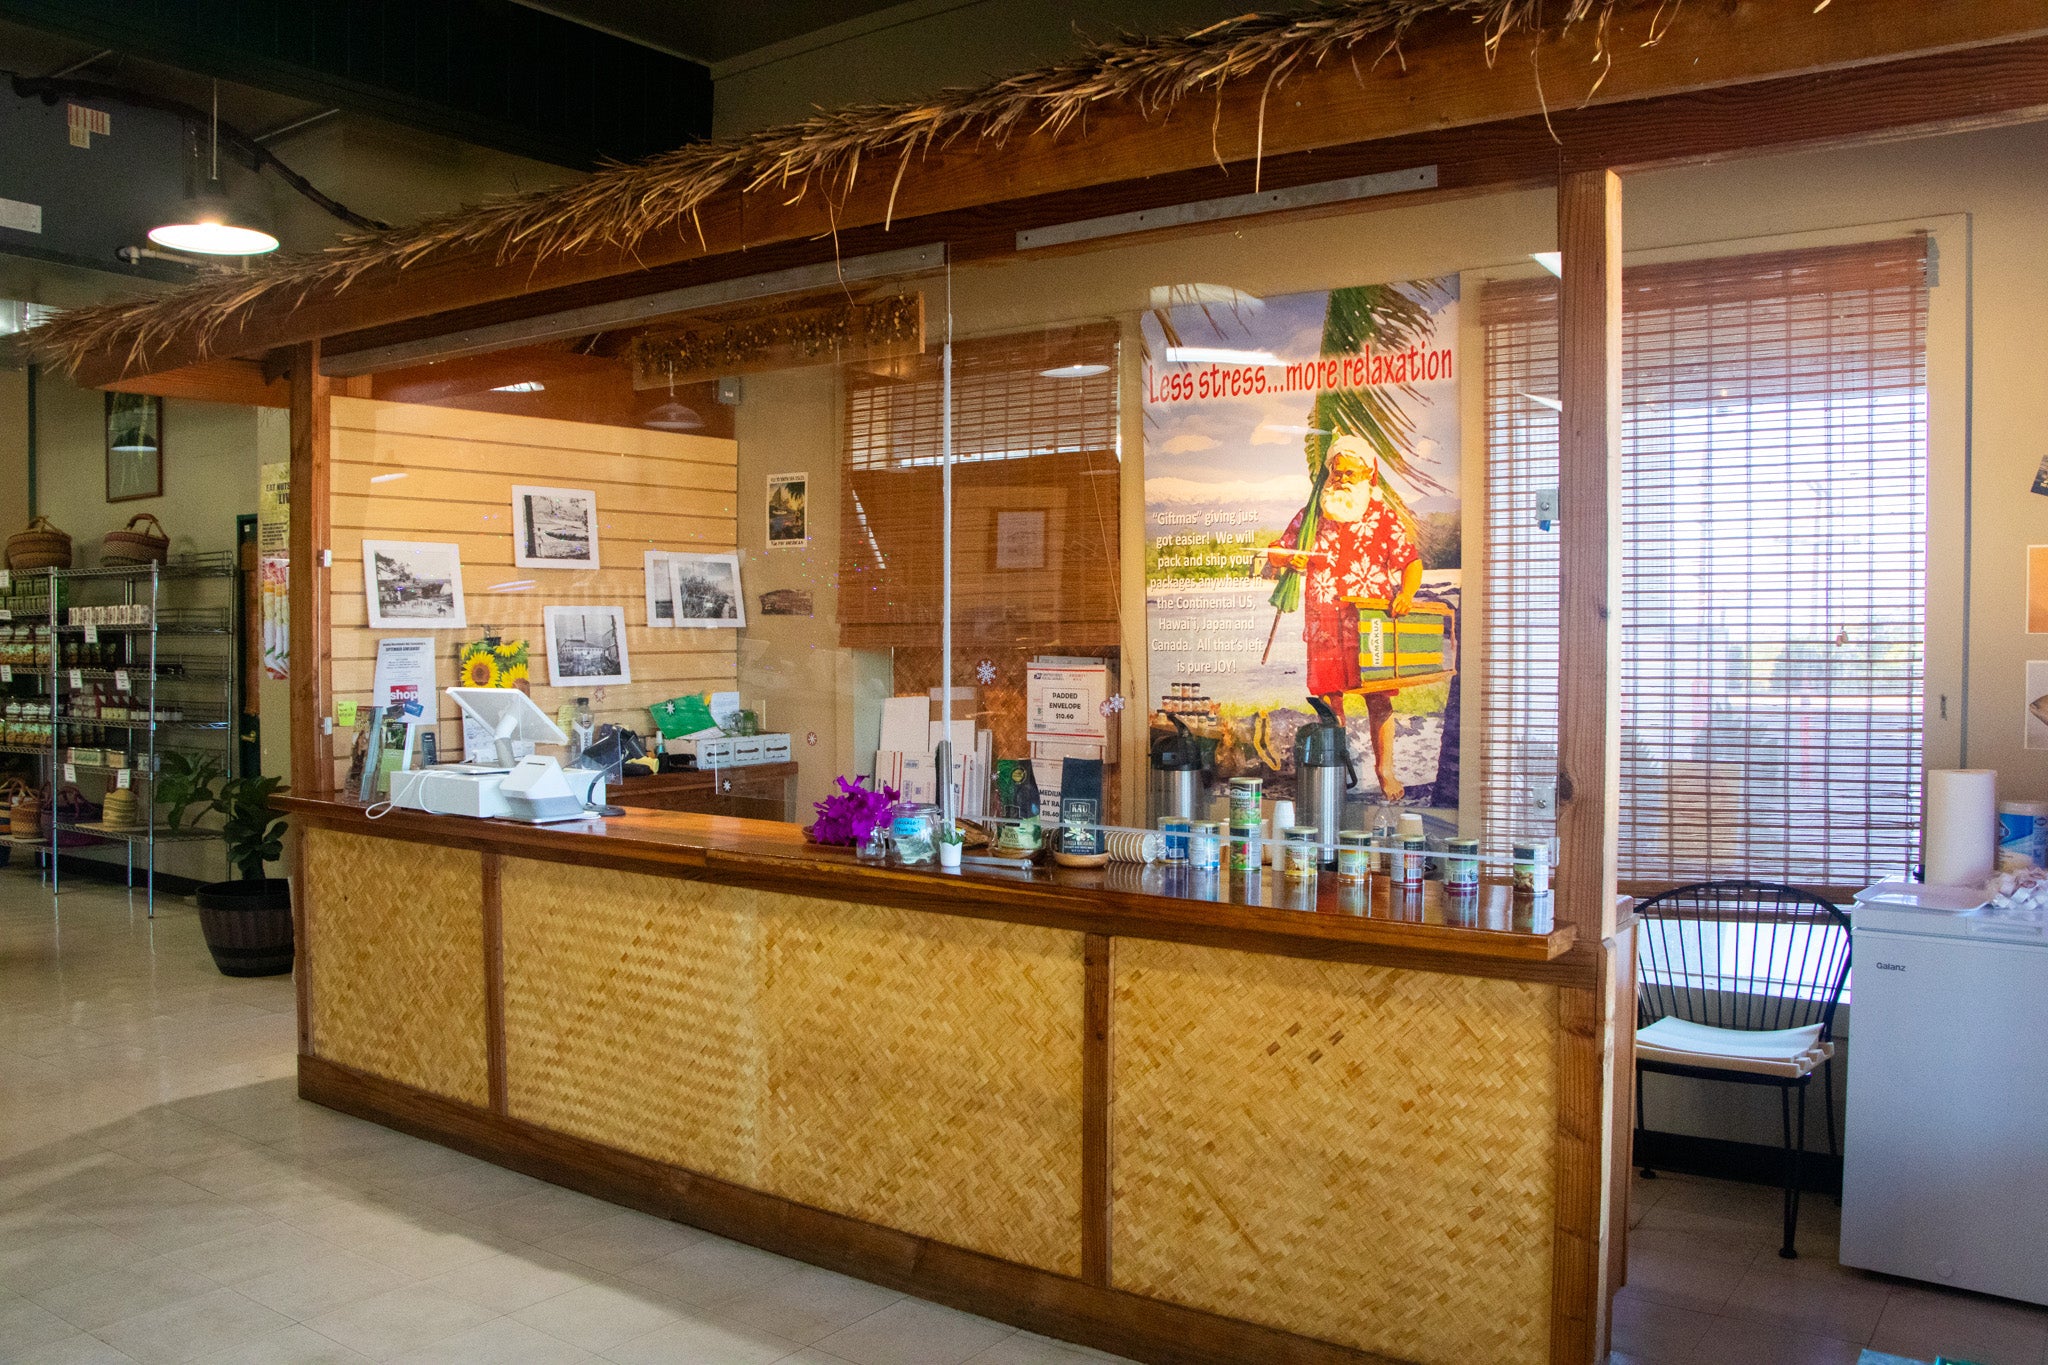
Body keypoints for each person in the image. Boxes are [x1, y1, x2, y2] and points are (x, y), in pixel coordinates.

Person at [1264, 435, 1423, 799]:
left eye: (1351, 473)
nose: (1342, 479)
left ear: (1370, 474)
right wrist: (1290, 558)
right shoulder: (1311, 516)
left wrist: (1407, 594)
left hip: (1372, 625)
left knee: (1380, 699)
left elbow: (1411, 562)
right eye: (1337, 473)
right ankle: (1334, 773)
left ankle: (1384, 770)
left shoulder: (1383, 517)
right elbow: (1275, 551)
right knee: (1330, 701)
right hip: (1325, 624)